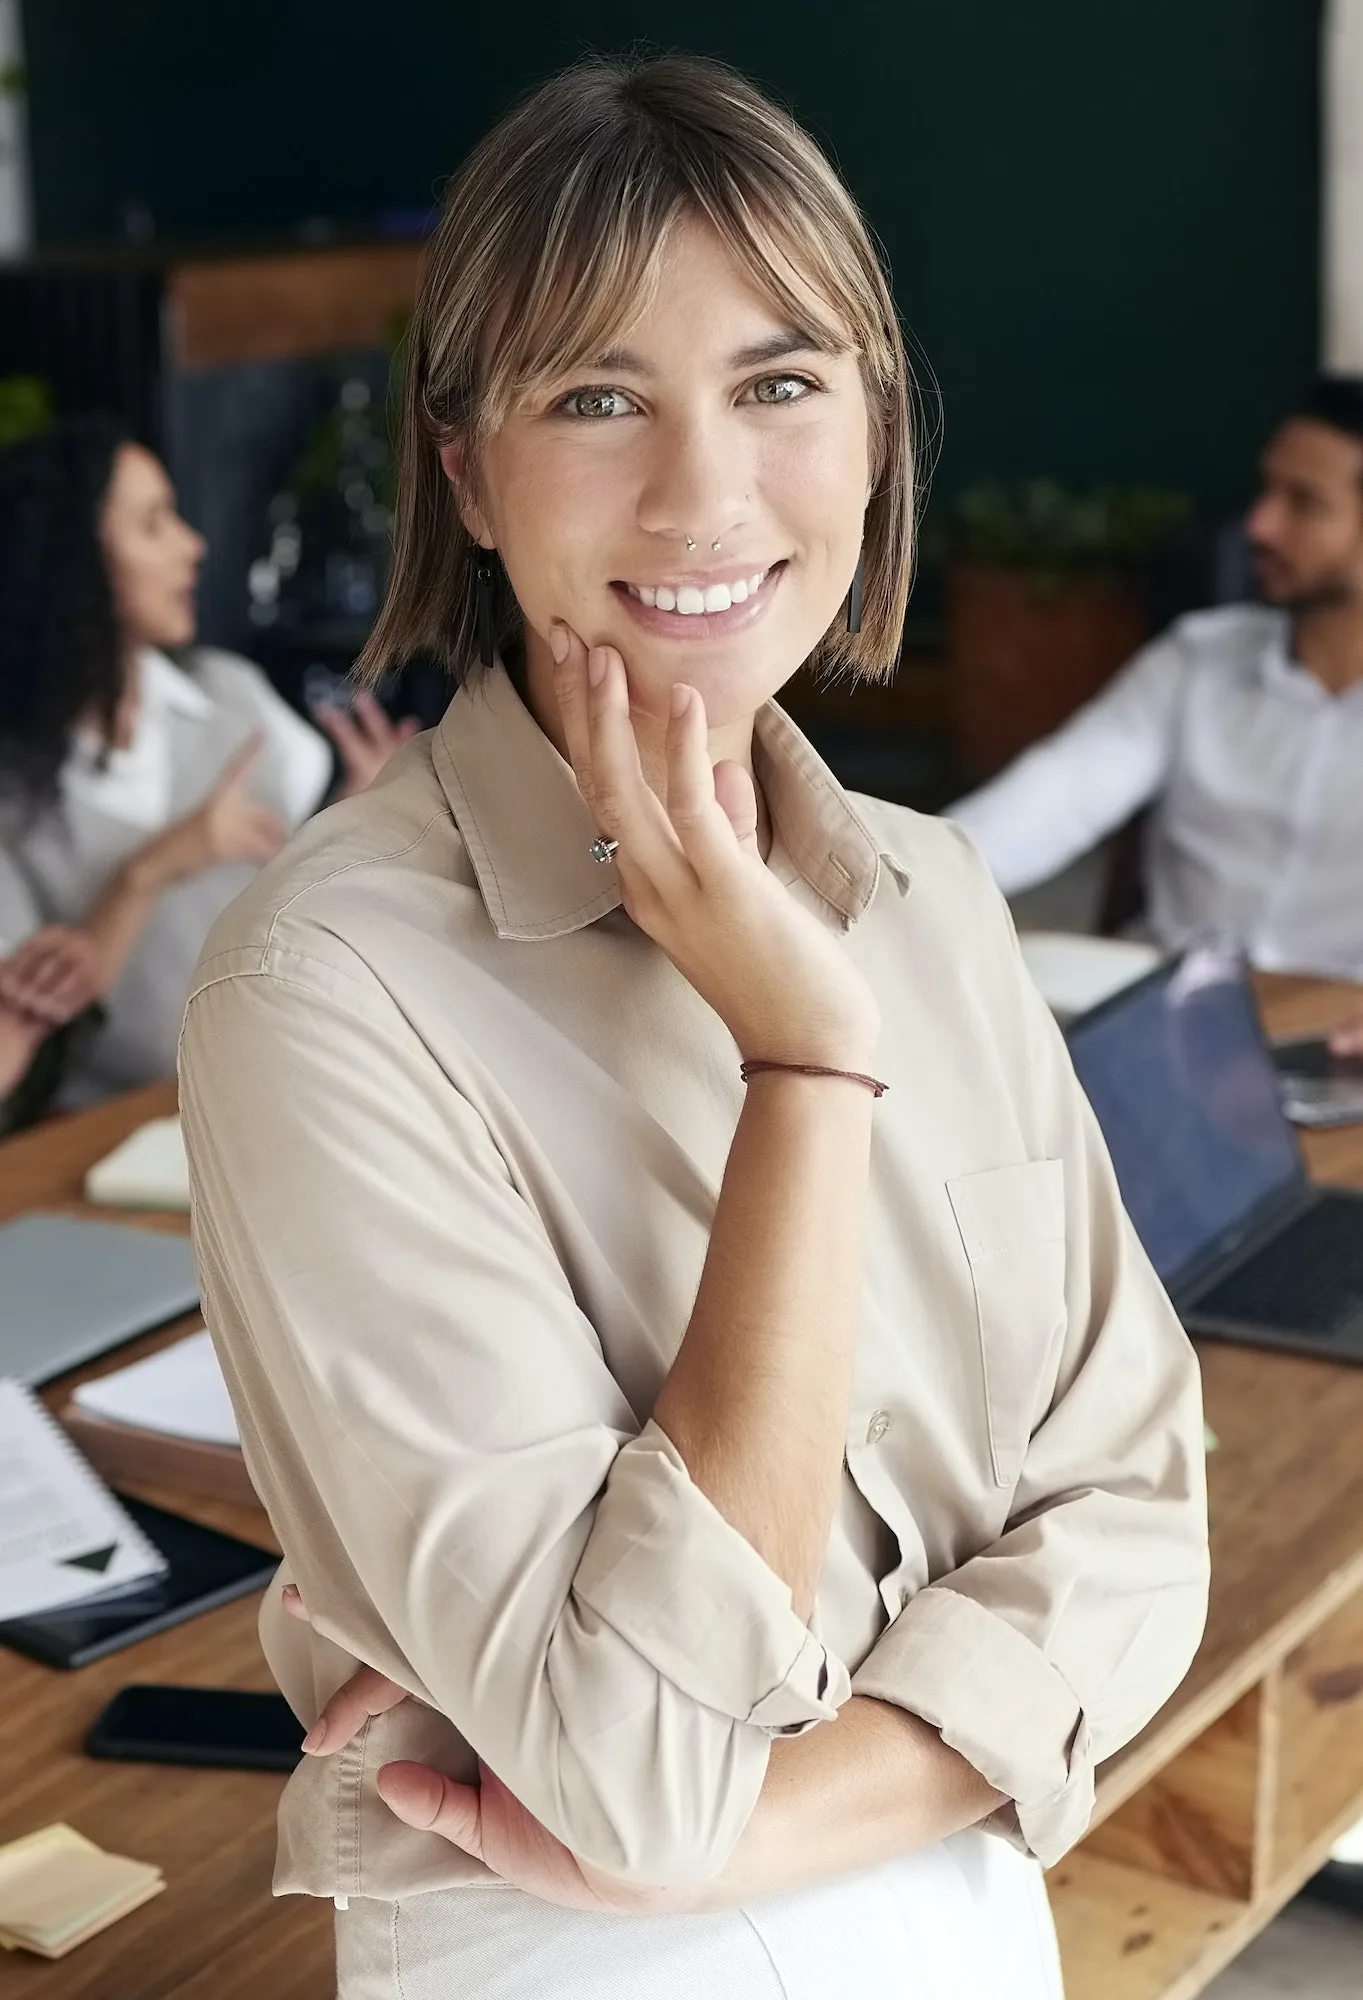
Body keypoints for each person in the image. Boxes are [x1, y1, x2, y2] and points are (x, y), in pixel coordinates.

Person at [179, 56, 1209, 2000]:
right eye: (594, 398)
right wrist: (804, 1067)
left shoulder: (931, 891)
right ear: (466, 467)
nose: (705, 492)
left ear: (876, 425)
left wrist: (767, 1818)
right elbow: (635, 1768)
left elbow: (1147, 1527)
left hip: (966, 1899)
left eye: (779, 383)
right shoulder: (320, 987)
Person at [0, 418, 415, 1118]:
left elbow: (313, 894)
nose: (193, 547)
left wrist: (359, 812)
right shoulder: (13, 790)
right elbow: (30, 1029)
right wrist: (151, 868)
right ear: (73, 559)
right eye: (153, 525)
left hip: (283, 1087)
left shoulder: (230, 696)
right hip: (110, 1132)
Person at [949, 377, 1363, 1043]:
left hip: (1336, 1042)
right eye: (1266, 490)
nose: (1258, 524)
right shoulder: (1197, 660)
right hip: (1167, 1032)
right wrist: (890, 881)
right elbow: (1052, 798)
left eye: (1303, 503)